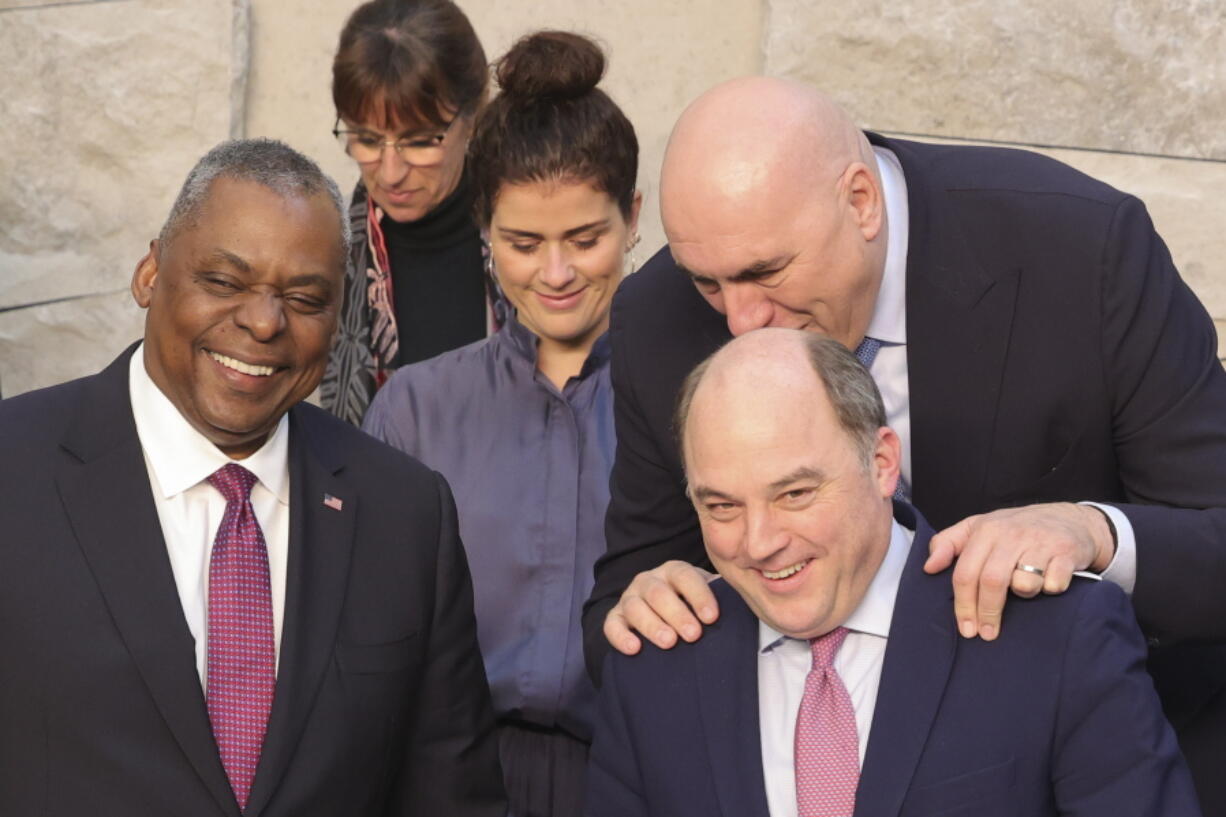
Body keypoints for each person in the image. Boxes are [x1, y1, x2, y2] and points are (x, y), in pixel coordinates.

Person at [582, 77, 1226, 811]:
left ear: (860, 202)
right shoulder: (659, 318)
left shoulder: (1080, 252)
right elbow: (619, 607)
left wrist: (1090, 531)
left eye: (766, 273)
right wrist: (647, 602)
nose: (741, 320)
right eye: (708, 284)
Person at [0, 139, 505, 816]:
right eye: (225, 282)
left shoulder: (406, 513)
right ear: (150, 272)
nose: (264, 322)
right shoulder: (15, 472)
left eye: (304, 297)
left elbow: (452, 795)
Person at [586, 327, 1201, 817]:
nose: (760, 542)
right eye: (721, 506)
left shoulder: (1058, 639)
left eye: (795, 494)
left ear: (881, 463)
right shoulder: (654, 667)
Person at [363, 31, 640, 817]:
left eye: (586, 239)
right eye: (523, 242)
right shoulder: (413, 410)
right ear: (484, 226)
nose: (556, 274)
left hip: (640, 777)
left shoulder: (695, 401)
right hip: (445, 782)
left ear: (634, 217)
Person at [321, 0, 502, 425]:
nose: (390, 173)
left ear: (474, 115)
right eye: (365, 139)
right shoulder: (322, 253)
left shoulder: (530, 241)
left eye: (420, 141)